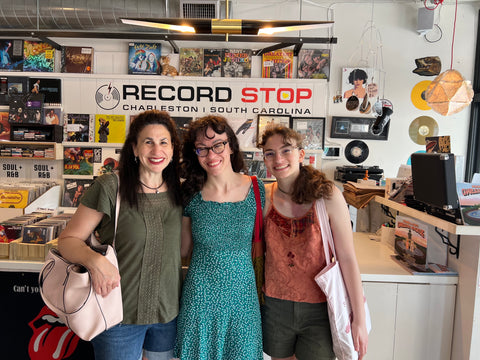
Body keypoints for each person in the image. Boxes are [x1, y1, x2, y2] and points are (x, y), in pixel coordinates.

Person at [58, 110, 183, 360]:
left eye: (163, 142)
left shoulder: (181, 190)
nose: (156, 150)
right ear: (135, 149)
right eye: (148, 142)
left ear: (172, 149)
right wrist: (95, 261)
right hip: (117, 315)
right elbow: (67, 241)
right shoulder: (110, 187)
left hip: (168, 314)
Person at [258, 124, 369, 360]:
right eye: (270, 153)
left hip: (321, 307)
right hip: (275, 306)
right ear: (264, 159)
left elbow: (347, 258)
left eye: (286, 150)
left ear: (300, 154)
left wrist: (359, 318)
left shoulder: (327, 195)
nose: (278, 159)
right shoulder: (264, 197)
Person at [175, 115, 264, 360]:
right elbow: (182, 250)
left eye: (218, 145)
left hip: (243, 300)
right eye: (202, 149)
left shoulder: (257, 189)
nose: (211, 155)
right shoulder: (190, 193)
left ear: (231, 145)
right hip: (200, 299)